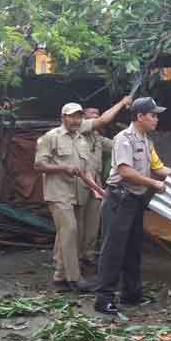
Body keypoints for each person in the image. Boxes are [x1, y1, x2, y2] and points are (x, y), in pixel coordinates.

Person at [34, 97, 132, 292]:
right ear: (63, 117)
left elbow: (85, 169)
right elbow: (38, 165)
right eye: (72, 117)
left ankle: (60, 276)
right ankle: (74, 278)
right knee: (69, 230)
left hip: (78, 192)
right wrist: (63, 168)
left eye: (78, 117)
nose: (76, 121)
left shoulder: (82, 139)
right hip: (58, 193)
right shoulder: (50, 137)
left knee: (70, 234)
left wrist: (99, 190)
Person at [94, 97, 171, 315]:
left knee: (133, 248)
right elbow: (126, 171)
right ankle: (103, 299)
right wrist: (154, 183)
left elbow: (159, 167)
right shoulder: (123, 139)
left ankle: (132, 293)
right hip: (119, 199)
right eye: (153, 115)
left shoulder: (147, 141)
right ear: (140, 116)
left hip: (135, 200)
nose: (156, 119)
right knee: (113, 249)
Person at [78, 107, 113, 267]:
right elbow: (103, 121)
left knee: (93, 221)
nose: (97, 117)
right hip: (80, 181)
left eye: (98, 114)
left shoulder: (98, 137)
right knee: (78, 221)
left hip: (96, 182)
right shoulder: (80, 128)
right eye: (93, 115)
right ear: (84, 117)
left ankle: (88, 254)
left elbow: (114, 145)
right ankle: (75, 256)